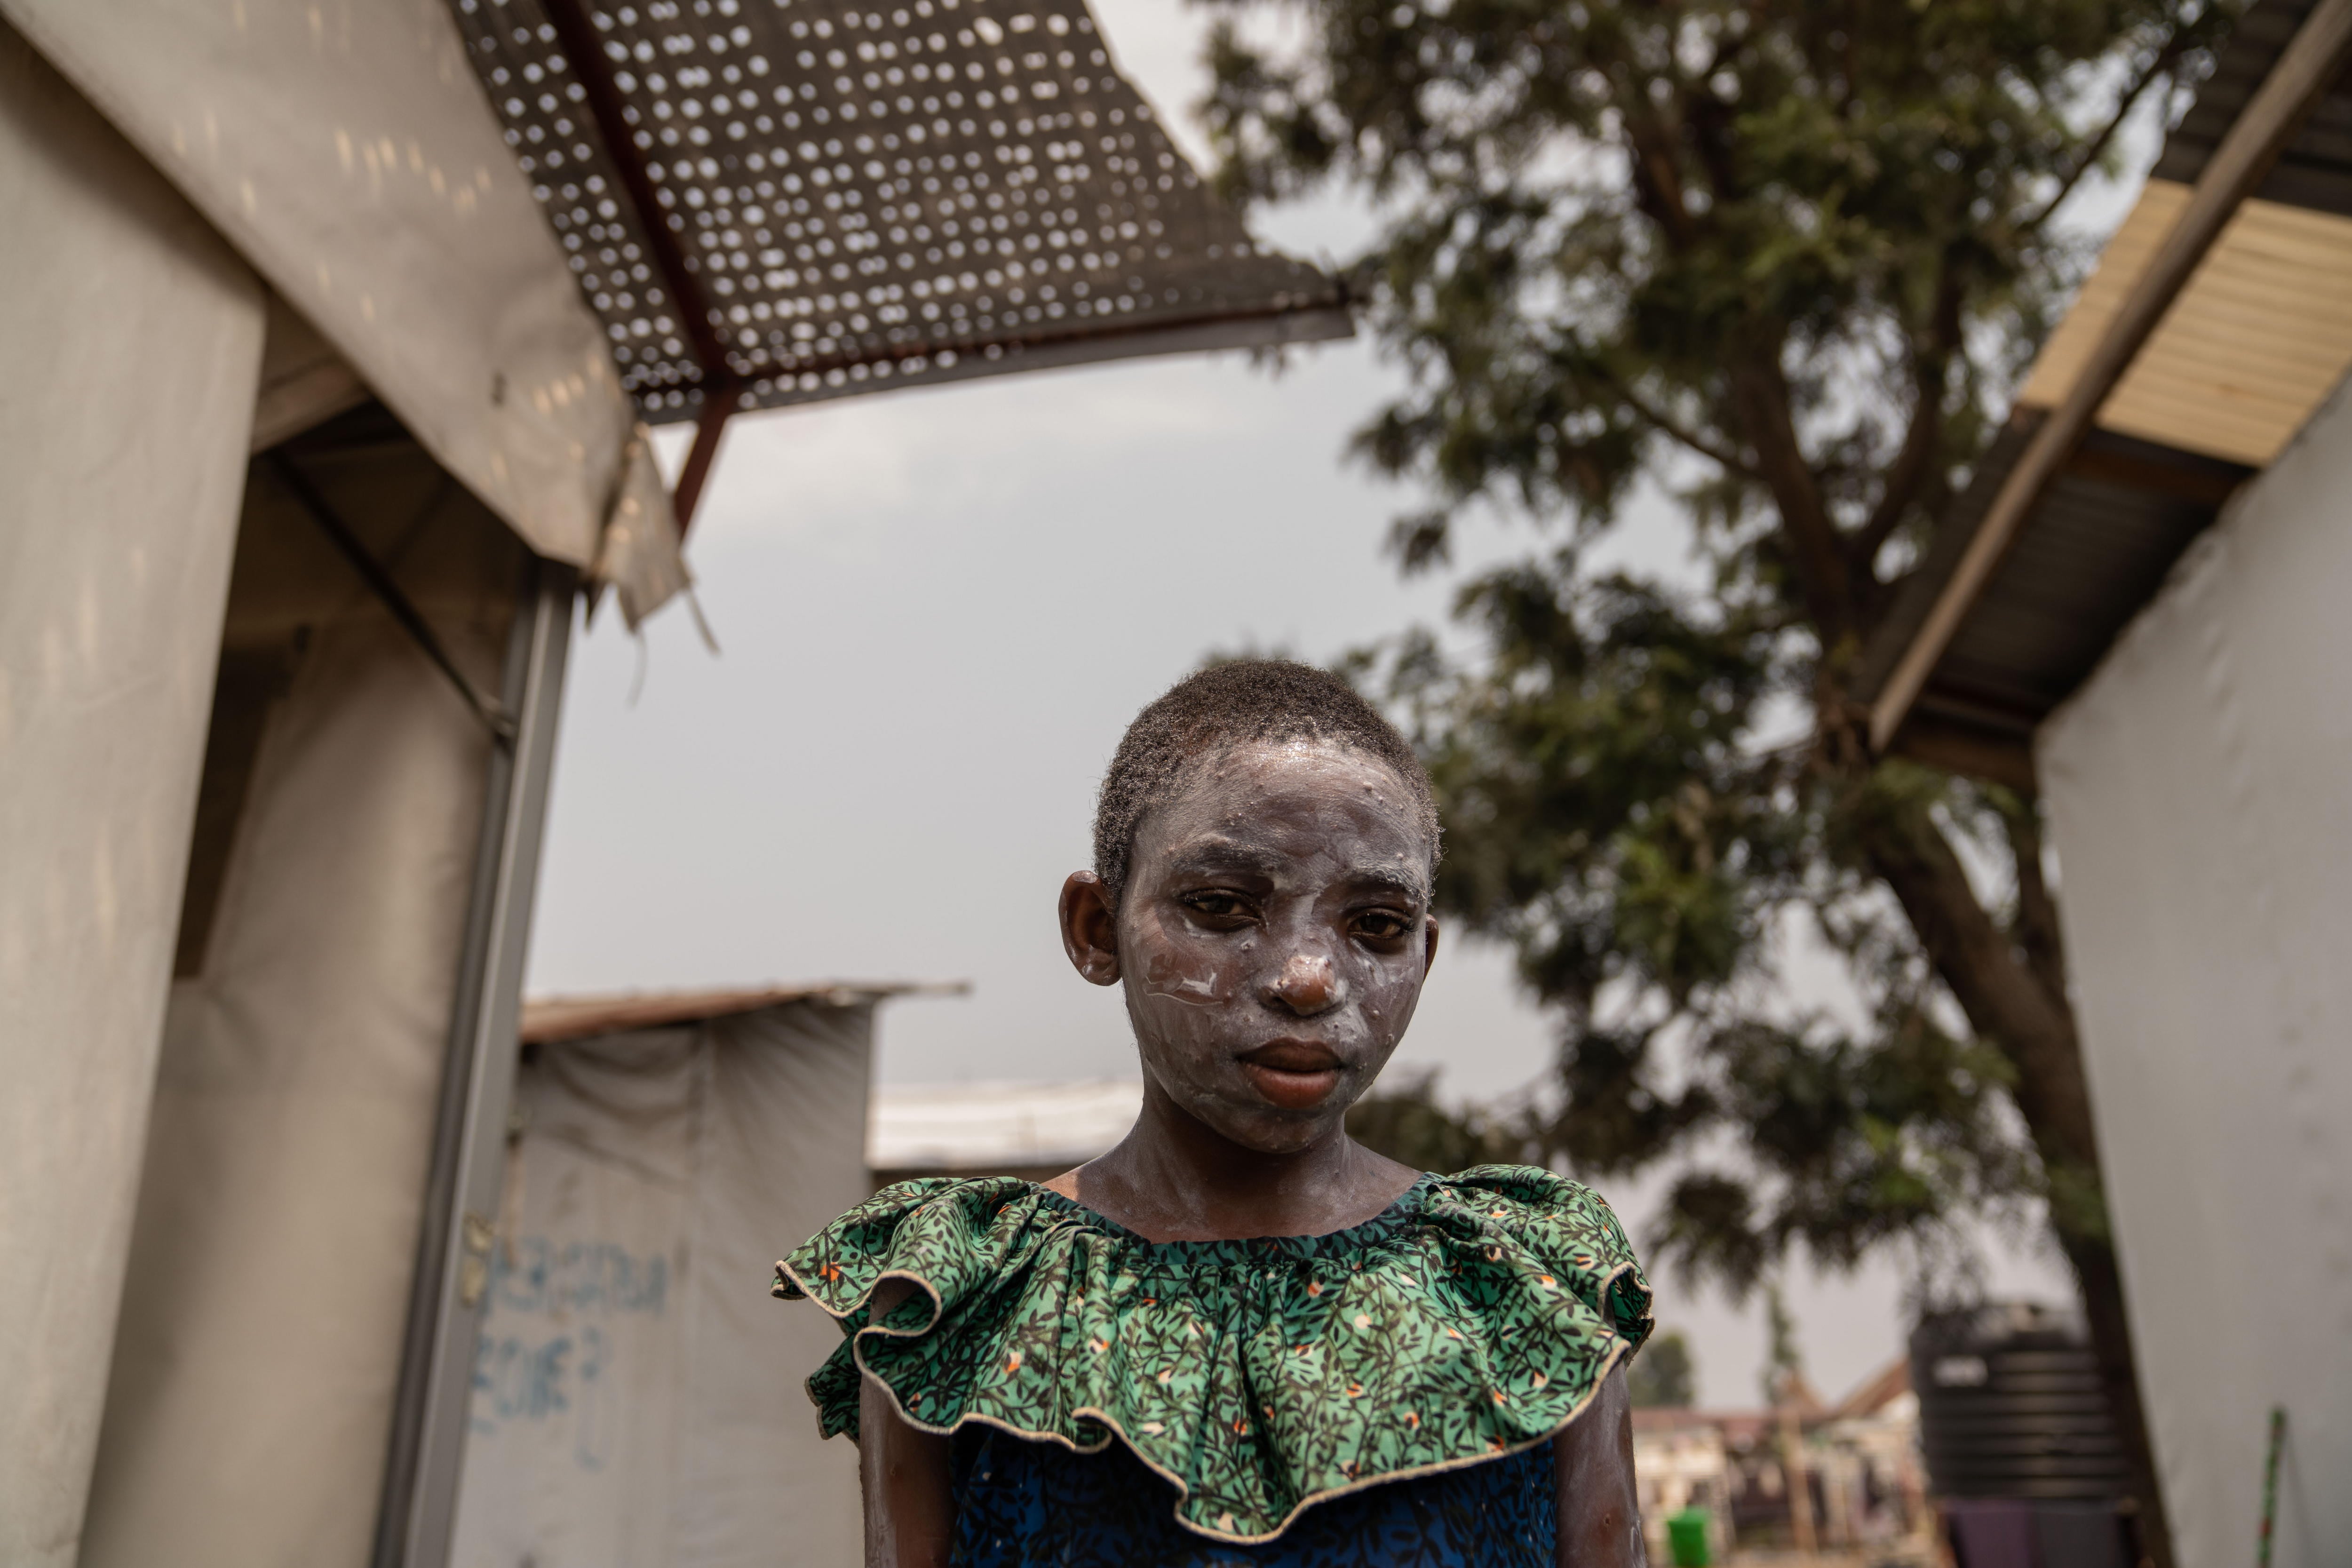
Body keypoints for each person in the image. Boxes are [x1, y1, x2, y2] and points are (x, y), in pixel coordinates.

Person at [777, 661, 1653, 1567]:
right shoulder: (955, 1300)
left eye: (1377, 925)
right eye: (1224, 907)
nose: (1309, 978)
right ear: (1095, 927)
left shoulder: (1530, 1282)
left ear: (1424, 957)